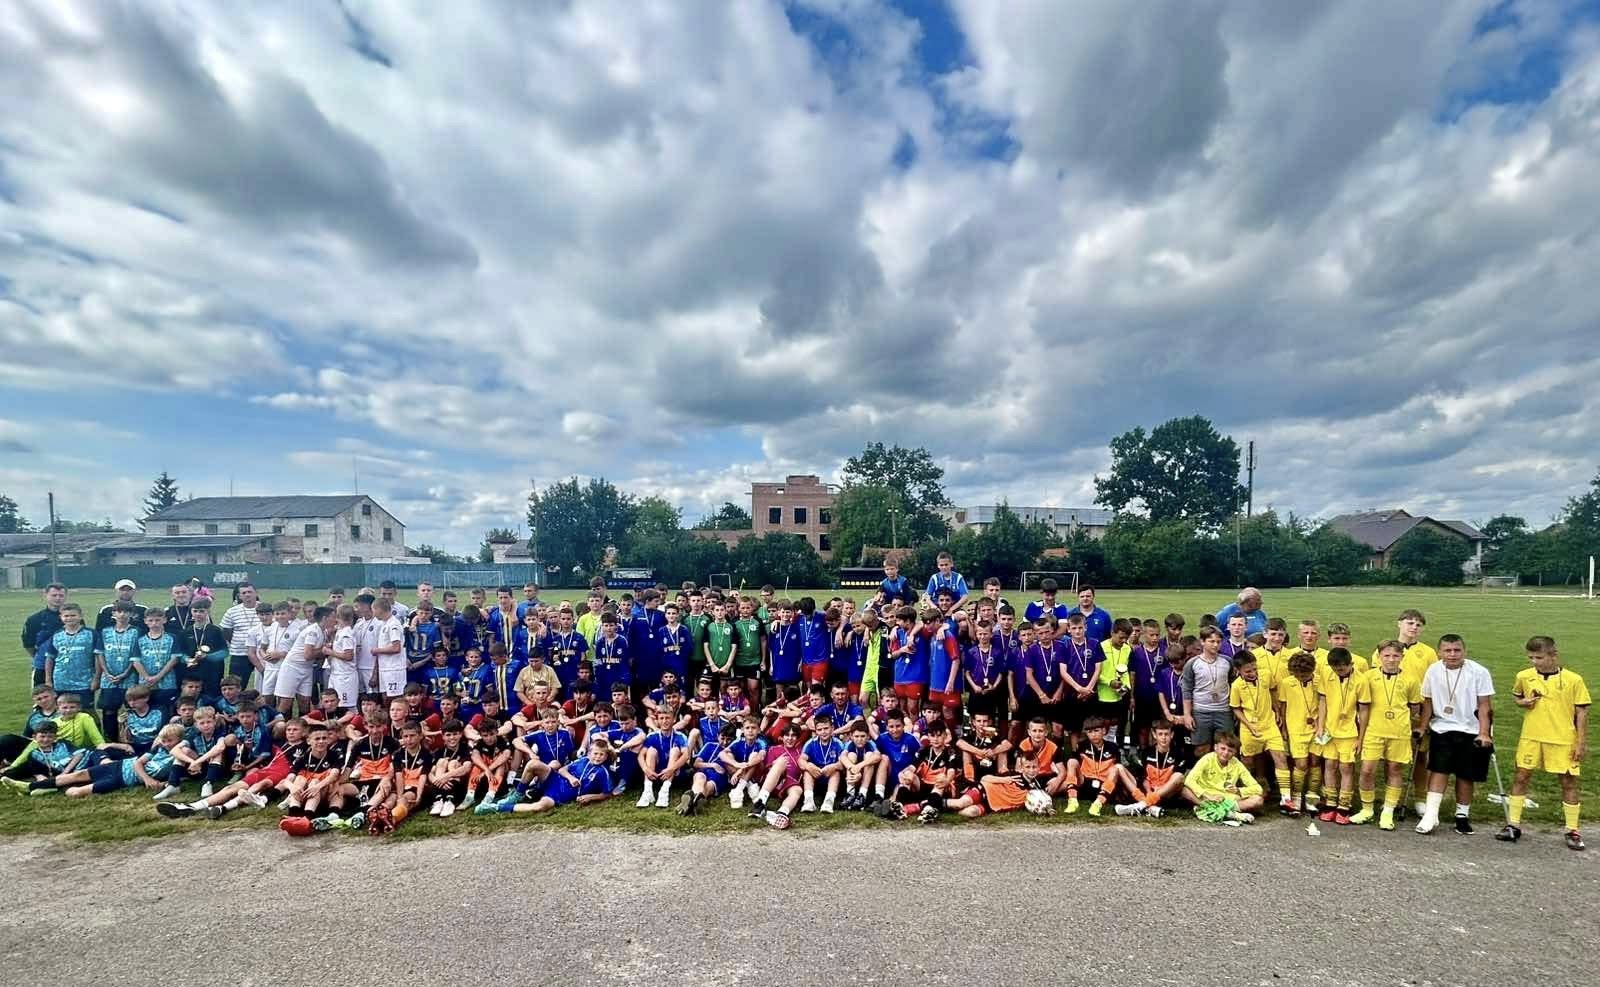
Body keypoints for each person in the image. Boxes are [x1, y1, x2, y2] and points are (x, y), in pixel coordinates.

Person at [1498, 636, 1588, 850]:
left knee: (1568, 782)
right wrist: (1524, 702)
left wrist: (1580, 742)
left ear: (1553, 655)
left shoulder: (1574, 680)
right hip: (1531, 736)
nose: (1534, 662)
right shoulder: (1524, 676)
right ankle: (1513, 825)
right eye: (1531, 657)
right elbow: (1517, 697)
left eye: (1539, 657)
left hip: (1563, 739)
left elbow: (1582, 712)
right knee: (1521, 776)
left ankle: (1572, 830)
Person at [1416, 634, 1494, 835]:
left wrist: (1484, 733)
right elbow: (1428, 702)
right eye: (1447, 650)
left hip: (1471, 729)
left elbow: (1484, 705)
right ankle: (1431, 815)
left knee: (1466, 774)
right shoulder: (1433, 670)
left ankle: (1462, 816)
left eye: (1457, 650)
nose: (1452, 654)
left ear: (1464, 651)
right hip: (1442, 727)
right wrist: (1422, 727)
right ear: (1439, 652)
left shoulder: (1479, 672)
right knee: (1439, 769)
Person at [1351, 640, 1423, 830]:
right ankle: (1367, 810)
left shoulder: (1411, 679)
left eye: (1396, 656)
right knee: (1367, 770)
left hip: (1399, 732)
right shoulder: (1368, 677)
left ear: (1402, 657)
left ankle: (1388, 811)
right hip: (1373, 730)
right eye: (1387, 655)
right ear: (1379, 656)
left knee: (1395, 769)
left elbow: (1414, 707)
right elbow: (1360, 704)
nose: (1391, 660)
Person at [1229, 652, 1292, 815]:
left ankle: (1286, 798)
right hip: (1249, 727)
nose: (1253, 673)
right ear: (1238, 670)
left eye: (1254, 669)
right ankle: (1245, 793)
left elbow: (1272, 691)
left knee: (1280, 757)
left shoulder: (1266, 675)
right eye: (1248, 671)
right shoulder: (1236, 686)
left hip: (1269, 724)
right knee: (1248, 762)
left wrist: (1276, 710)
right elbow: (1236, 708)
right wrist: (1249, 725)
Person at [1183, 732, 1263, 824]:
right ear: (1215, 747)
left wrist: (1238, 790)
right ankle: (1228, 813)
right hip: (1206, 796)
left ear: (1235, 752)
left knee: (1258, 800)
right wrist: (1208, 795)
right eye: (1223, 749)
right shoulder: (1207, 759)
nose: (1225, 753)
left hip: (1226, 799)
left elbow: (1258, 789)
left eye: (1230, 751)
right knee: (1185, 790)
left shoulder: (1237, 764)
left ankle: (1217, 811)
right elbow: (1189, 780)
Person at [1115, 720, 1189, 817]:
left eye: (1166, 734)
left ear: (1172, 735)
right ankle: (1150, 808)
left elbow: (1177, 779)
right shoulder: (1147, 752)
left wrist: (1159, 791)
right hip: (1148, 792)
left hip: (1166, 792)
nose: (1163, 738)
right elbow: (1144, 778)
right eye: (1160, 734)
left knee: (1179, 777)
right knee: (1119, 767)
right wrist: (1149, 791)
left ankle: (1142, 805)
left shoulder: (1179, 753)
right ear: (1154, 735)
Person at [1180, 627, 1233, 756]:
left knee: (1225, 747)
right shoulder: (1192, 663)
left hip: (1223, 711)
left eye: (1218, 642)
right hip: (1201, 711)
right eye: (1211, 641)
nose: (1215, 645)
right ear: (1202, 642)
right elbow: (1187, 690)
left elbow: (1233, 684)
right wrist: (1187, 714)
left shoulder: (1227, 661)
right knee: (1201, 748)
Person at [41, 602, 97, 706]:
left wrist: (96, 679)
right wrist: (48, 680)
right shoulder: (57, 635)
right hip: (61, 682)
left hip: (84, 682)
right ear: (61, 617)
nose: (69, 618)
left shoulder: (91, 634)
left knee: (85, 710)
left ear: (80, 616)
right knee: (64, 710)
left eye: (73, 615)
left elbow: (98, 657)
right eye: (66, 616)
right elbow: (50, 658)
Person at [800, 714, 847, 813]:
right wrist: (808, 766)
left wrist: (834, 766)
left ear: (832, 728)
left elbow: (843, 763)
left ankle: (828, 802)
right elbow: (801, 760)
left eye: (826, 728)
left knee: (836, 771)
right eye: (819, 730)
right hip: (816, 776)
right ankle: (808, 801)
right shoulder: (810, 743)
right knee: (807, 771)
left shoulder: (838, 743)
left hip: (831, 778)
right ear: (816, 731)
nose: (823, 732)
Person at [21, 583, 66, 687]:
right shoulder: (34, 619)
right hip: (42, 667)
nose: (58, 598)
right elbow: (28, 644)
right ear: (45, 595)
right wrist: (40, 656)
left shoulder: (73, 618)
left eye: (61, 595)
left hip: (67, 667)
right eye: (54, 595)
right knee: (43, 695)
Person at [219, 582, 262, 689]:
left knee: (265, 686)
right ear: (239, 596)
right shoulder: (232, 612)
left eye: (250, 592)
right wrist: (238, 642)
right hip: (239, 654)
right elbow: (226, 631)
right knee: (235, 686)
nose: (247, 595)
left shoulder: (265, 609)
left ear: (256, 593)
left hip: (262, 654)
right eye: (244, 593)